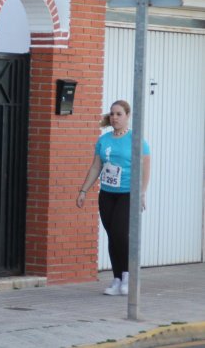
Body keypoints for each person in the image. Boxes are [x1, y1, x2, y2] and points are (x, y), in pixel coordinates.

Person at [76, 100, 151, 296]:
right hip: (107, 194)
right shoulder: (104, 139)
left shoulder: (136, 140)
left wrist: (142, 192)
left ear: (127, 116)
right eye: (112, 114)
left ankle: (128, 275)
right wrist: (84, 190)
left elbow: (145, 167)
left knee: (119, 233)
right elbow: (96, 167)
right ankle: (117, 278)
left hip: (128, 193)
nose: (114, 117)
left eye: (119, 114)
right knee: (112, 236)